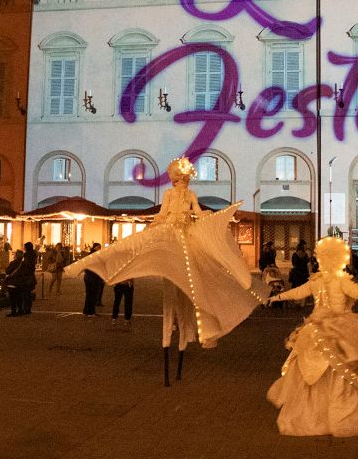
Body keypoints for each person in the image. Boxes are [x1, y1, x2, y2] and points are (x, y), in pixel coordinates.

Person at [67, 157, 262, 383]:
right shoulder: (170, 194)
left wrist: (209, 216)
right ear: (176, 178)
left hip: (186, 237)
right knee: (162, 279)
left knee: (192, 279)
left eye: (186, 179)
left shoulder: (191, 195)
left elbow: (198, 212)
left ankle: (181, 337)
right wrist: (154, 225)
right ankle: (168, 336)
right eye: (181, 179)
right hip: (170, 235)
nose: (184, 183)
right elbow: (163, 213)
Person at [267, 236, 358, 437]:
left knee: (313, 373)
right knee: (341, 372)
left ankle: (312, 415)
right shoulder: (341, 282)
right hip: (338, 330)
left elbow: (297, 293)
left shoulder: (317, 282)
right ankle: (340, 416)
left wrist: (277, 296)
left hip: (315, 330)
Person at [82, 243, 105, 317]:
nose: (100, 249)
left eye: (100, 247)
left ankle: (86, 311)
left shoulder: (90, 255)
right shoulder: (95, 256)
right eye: (98, 247)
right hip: (93, 277)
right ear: (95, 248)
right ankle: (91, 312)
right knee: (93, 295)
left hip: (88, 277)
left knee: (89, 295)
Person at [3, 250, 26, 316]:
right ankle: (20, 310)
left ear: (16, 255)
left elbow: (7, 271)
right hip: (21, 282)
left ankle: (13, 311)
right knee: (19, 297)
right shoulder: (24, 263)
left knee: (13, 298)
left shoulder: (13, 263)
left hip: (13, 282)